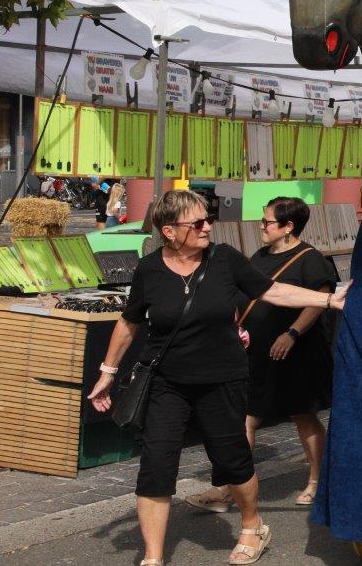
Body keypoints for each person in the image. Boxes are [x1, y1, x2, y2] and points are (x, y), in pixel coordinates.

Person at [86, 189, 347, 566]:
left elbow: (273, 292)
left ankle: (252, 525)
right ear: (169, 231)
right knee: (156, 465)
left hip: (222, 379)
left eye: (208, 219)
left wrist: (327, 300)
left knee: (232, 461)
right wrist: (107, 372)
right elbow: (129, 322)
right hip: (166, 382)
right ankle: (153, 558)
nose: (208, 226)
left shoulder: (224, 259)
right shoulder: (149, 269)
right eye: (198, 222)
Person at [186, 197, 337, 514]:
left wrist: (292, 333)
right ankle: (229, 488)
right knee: (245, 418)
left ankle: (317, 481)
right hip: (257, 354)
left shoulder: (310, 260)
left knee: (303, 415)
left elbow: (319, 301)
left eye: (267, 222)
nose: (261, 226)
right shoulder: (260, 256)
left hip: (298, 354)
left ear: (288, 226)